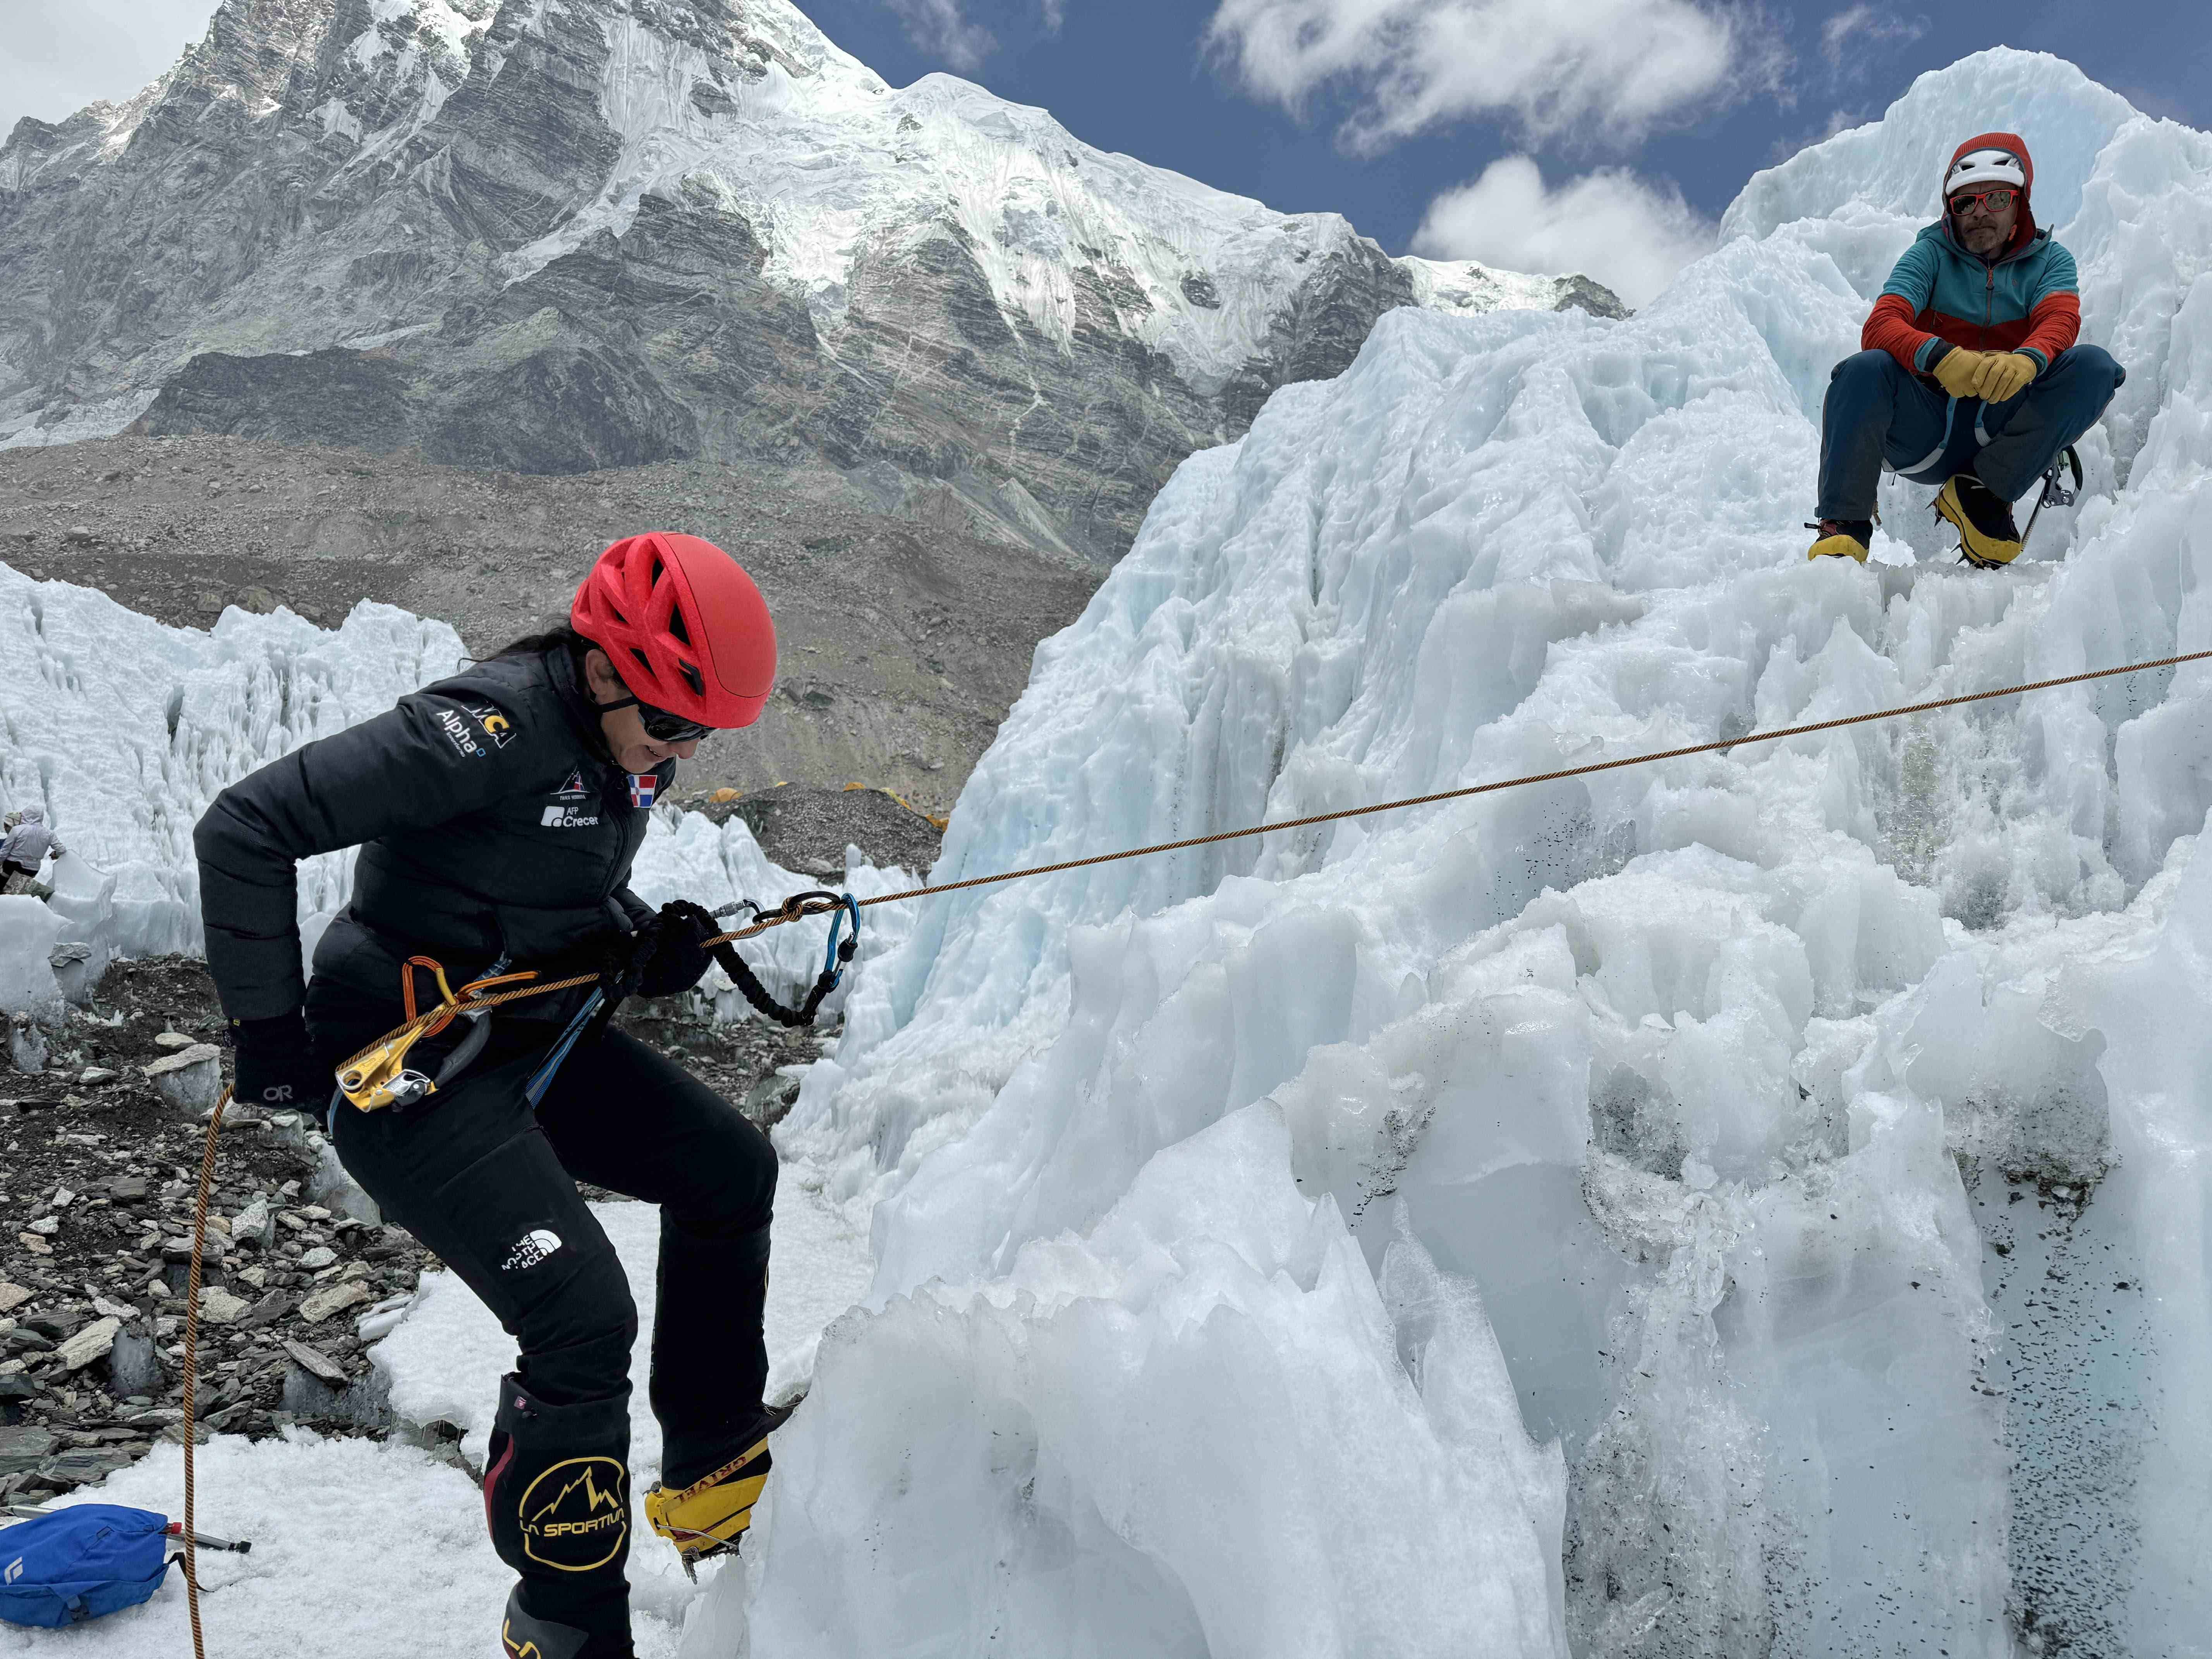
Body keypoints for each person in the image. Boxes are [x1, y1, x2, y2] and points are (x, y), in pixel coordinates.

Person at [194, 532, 784, 1659]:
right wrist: (269, 1033)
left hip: (525, 1033)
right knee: (580, 1317)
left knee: (731, 1171)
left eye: (700, 735)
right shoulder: (481, 731)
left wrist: (633, 941)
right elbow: (245, 826)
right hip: (399, 1061)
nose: (679, 753)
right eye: (667, 725)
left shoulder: (624, 742)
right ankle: (564, 1624)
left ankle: (711, 1476)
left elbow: (525, 876)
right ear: (604, 667)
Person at [1808, 132, 2126, 567]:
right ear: (1950, 210)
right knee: (1864, 370)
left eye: (1996, 198)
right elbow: (1882, 325)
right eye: (1966, 203)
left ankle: (1983, 494)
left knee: (2094, 368)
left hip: (1999, 432)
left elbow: (2060, 320)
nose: (1980, 213)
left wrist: (2027, 360)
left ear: (2020, 203)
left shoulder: (2052, 262)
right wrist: (1939, 357)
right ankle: (1844, 525)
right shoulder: (1928, 255)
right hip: (1923, 427)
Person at [0, 806, 65, 898]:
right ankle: (28, 891)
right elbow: (62, 850)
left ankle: (33, 892)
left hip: (12, 867)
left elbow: (4, 852)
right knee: (11, 884)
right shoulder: (49, 834)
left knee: (3, 882)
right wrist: (55, 854)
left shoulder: (17, 830)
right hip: (33, 870)